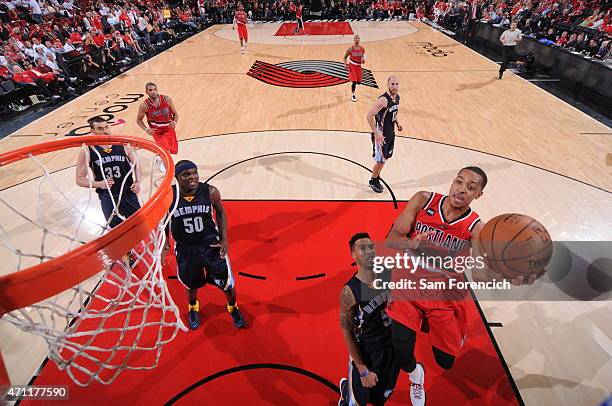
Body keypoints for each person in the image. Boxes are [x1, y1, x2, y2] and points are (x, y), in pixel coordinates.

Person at [164, 160, 246, 330]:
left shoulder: (210, 191)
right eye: (186, 174)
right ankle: (193, 306)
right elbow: (165, 221)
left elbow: (221, 212)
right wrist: (165, 244)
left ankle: (233, 306)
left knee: (227, 285)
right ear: (177, 178)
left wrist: (224, 240)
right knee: (191, 284)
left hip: (211, 246)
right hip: (186, 250)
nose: (192, 177)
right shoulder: (170, 196)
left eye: (194, 172)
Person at [338, 233, 399, 406]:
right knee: (356, 404)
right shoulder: (350, 291)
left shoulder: (388, 274)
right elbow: (346, 331)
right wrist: (363, 370)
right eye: (362, 248)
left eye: (371, 247)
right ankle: (346, 395)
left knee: (379, 399)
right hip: (367, 353)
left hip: (391, 350)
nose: (369, 251)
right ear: (353, 255)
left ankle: (347, 388)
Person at [75, 117, 141, 229]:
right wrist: (100, 184)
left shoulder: (122, 143)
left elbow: (137, 164)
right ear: (92, 131)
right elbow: (79, 179)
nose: (105, 131)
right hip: (108, 196)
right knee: (117, 229)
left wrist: (138, 181)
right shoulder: (87, 150)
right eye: (100, 128)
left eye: (106, 127)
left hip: (128, 192)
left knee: (139, 224)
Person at [366, 76, 402, 194]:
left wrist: (397, 122)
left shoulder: (397, 98)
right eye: (392, 84)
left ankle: (376, 175)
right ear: (387, 84)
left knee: (385, 158)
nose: (395, 86)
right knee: (381, 160)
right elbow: (369, 116)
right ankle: (373, 180)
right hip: (382, 135)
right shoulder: (383, 100)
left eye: (397, 84)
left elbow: (393, 112)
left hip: (390, 133)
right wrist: (376, 134)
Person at [137, 82, 179, 162]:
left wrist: (174, 122)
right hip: (158, 132)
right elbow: (138, 120)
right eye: (150, 90)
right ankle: (167, 166)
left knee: (173, 149)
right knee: (166, 151)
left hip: (169, 129)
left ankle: (159, 158)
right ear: (146, 92)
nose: (153, 91)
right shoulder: (144, 105)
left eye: (154, 89)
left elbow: (175, 114)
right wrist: (146, 130)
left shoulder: (166, 99)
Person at [344, 35, 365, 102]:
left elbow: (362, 59)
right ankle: (353, 95)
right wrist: (345, 64)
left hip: (358, 66)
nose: (357, 39)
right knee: (354, 81)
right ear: (354, 40)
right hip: (352, 65)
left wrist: (363, 60)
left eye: (358, 38)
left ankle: (356, 84)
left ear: (359, 40)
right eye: (355, 38)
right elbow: (344, 57)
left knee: (358, 82)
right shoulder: (350, 49)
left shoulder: (362, 49)